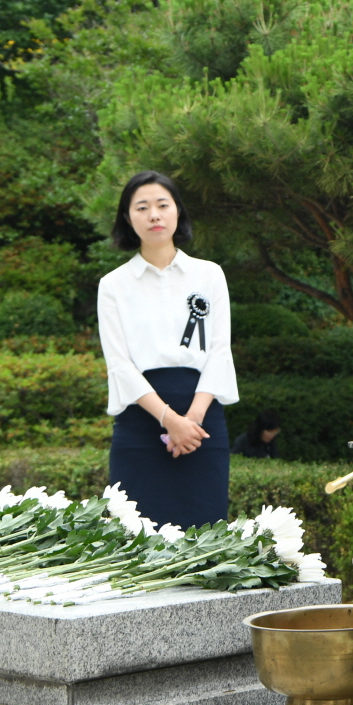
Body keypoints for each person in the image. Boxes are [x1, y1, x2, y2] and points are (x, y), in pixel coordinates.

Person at [98, 171, 238, 529]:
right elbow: (119, 364)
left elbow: (220, 351)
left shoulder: (210, 275)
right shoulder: (113, 285)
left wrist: (190, 420)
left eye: (163, 205)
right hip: (140, 422)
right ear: (128, 219)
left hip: (201, 422)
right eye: (142, 207)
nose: (154, 215)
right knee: (136, 542)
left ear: (178, 212)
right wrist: (169, 420)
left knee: (204, 542)